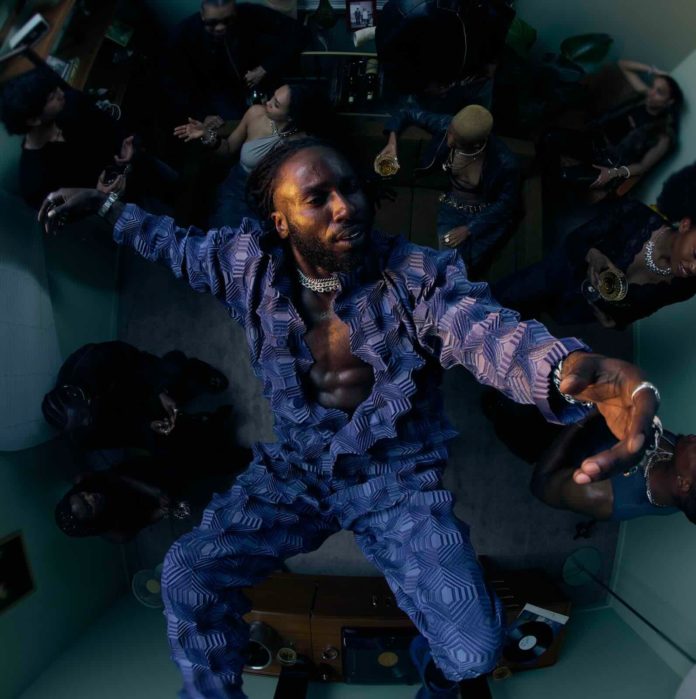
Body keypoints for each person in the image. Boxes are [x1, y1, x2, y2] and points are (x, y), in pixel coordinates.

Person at [39, 138, 659, 699]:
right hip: (300, 467)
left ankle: (438, 679)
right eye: (318, 198)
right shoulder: (243, 264)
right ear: (281, 221)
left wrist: (564, 368)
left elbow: (483, 332)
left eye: (350, 188)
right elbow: (172, 244)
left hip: (396, 477)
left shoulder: (418, 277)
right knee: (186, 575)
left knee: (473, 653)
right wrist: (106, 206)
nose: (346, 207)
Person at [492, 163, 696, 329]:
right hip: (562, 270)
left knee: (519, 326)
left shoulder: (685, 286)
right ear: (685, 225)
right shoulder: (635, 214)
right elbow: (575, 239)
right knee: (500, 301)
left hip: (578, 309)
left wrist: (616, 321)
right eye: (695, 254)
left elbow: (642, 309)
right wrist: (593, 255)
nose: (694, 268)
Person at [481, 390, 693, 523]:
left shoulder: (599, 494)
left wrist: (582, 419)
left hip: (542, 438)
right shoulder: (681, 474)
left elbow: (540, 484)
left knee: (504, 413)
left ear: (682, 483)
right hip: (583, 414)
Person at [0, 67, 180, 211]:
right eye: (52, 97)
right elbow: (73, 221)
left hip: (144, 167)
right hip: (128, 207)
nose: (61, 93)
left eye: (56, 88)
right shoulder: (34, 181)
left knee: (181, 190)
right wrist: (98, 196)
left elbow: (112, 125)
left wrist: (128, 146)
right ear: (33, 120)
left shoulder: (72, 103)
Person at [378, 104, 521, 278]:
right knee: (449, 267)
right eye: (451, 132)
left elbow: (506, 204)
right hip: (452, 206)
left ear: (477, 144)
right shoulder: (447, 125)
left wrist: (470, 229)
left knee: (468, 267)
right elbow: (406, 111)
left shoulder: (504, 162)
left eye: (458, 141)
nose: (450, 141)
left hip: (486, 216)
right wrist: (392, 143)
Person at [173, 84, 330, 228]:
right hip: (238, 188)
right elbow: (228, 149)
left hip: (273, 199)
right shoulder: (255, 114)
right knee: (229, 231)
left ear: (290, 117)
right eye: (272, 96)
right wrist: (207, 134)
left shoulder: (303, 143)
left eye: (276, 105)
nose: (267, 102)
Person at [41, 341, 229, 453]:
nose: (87, 422)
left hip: (131, 377)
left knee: (171, 371)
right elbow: (124, 435)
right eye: (81, 424)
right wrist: (148, 425)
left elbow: (137, 360)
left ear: (78, 394)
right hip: (120, 407)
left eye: (85, 416)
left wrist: (160, 391)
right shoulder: (82, 435)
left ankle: (199, 372)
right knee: (160, 443)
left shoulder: (94, 360)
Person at [160, 0, 308, 124]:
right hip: (219, 93)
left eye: (228, 21)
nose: (221, 28)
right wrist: (202, 114)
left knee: (285, 117)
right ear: (202, 15)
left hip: (262, 81)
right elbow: (174, 83)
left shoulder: (250, 13)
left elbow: (298, 32)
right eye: (212, 23)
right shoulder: (183, 34)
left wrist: (266, 68)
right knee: (239, 126)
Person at [543, 60, 683, 192]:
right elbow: (623, 64)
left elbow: (642, 166)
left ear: (669, 102)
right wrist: (655, 71)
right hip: (592, 141)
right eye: (653, 87)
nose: (651, 93)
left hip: (609, 162)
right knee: (550, 137)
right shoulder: (643, 97)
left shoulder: (664, 134)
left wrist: (612, 173)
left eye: (659, 92)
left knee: (564, 176)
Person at [376, 0, 514, 112]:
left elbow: (502, 16)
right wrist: (423, 85)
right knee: (436, 134)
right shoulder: (407, 7)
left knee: (477, 132)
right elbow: (390, 57)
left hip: (479, 82)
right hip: (435, 93)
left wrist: (493, 59)